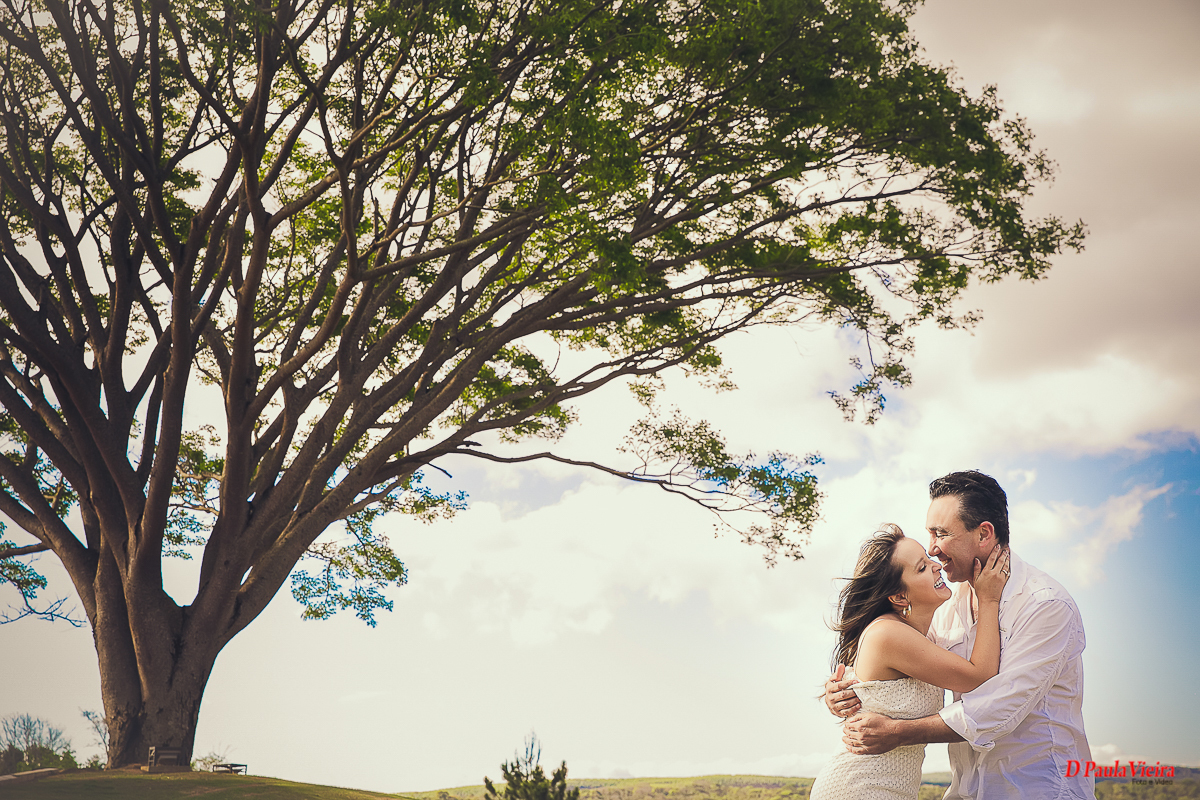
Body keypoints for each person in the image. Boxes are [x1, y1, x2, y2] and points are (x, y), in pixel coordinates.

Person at [824, 471, 1095, 799]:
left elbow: (998, 708)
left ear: (984, 534)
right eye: (929, 534)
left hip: (1036, 789)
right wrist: (846, 689)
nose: (933, 549)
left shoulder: (1045, 605)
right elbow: (903, 664)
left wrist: (899, 732)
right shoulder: (949, 602)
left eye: (941, 534)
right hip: (965, 790)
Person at [809, 524, 1009, 799]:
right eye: (922, 568)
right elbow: (980, 677)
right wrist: (989, 599)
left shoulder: (919, 634)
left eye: (928, 560)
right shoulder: (888, 633)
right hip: (860, 789)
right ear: (899, 596)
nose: (936, 566)